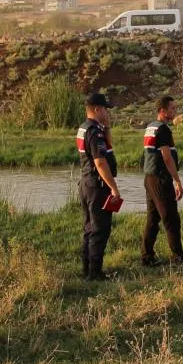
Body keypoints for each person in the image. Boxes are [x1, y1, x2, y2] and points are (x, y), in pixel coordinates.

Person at [76, 93, 122, 281]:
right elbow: (100, 162)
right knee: (100, 229)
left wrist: (107, 127)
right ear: (97, 109)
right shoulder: (94, 132)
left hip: (86, 183)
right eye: (105, 109)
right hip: (98, 185)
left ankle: (87, 269)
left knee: (89, 228)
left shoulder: (85, 128)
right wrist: (114, 188)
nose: (107, 113)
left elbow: (106, 147)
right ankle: (95, 274)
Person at [142, 95, 183, 266]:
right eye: (172, 109)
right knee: (171, 218)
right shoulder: (163, 129)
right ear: (163, 111)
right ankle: (178, 257)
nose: (175, 111)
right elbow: (167, 157)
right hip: (160, 179)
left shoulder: (150, 127)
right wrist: (177, 181)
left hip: (149, 177)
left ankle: (147, 257)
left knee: (153, 219)